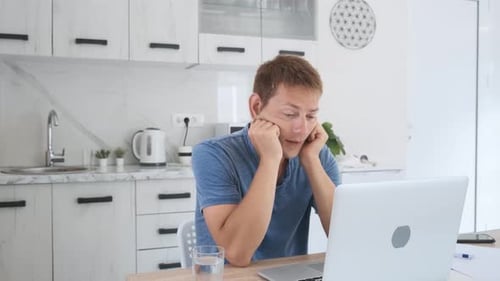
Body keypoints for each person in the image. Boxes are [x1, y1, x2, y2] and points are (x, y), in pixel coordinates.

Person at [192, 55, 341, 267]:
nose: (302, 129)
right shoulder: (213, 154)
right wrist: (270, 160)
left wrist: (311, 161)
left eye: (310, 116)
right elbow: (237, 254)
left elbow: (344, 236)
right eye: (290, 114)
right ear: (256, 107)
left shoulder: (315, 153)